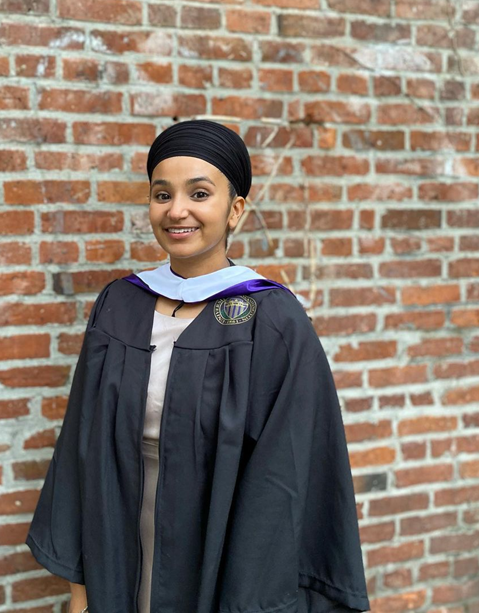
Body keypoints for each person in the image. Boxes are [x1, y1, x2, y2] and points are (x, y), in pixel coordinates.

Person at [26, 119, 371, 613]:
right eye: (161, 194)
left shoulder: (271, 319)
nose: (177, 210)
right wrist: (81, 592)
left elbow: (289, 479)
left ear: (235, 211)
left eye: (200, 193)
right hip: (119, 549)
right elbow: (81, 448)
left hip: (222, 563)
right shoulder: (118, 305)